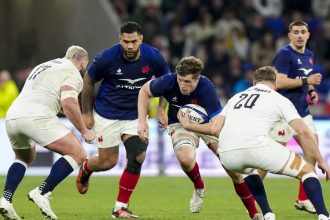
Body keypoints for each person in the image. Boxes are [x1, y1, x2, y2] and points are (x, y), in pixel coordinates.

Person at [138, 56, 263, 220]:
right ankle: (199, 186)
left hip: (208, 124)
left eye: (188, 82)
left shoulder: (206, 88)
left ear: (197, 78)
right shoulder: (168, 81)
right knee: (185, 158)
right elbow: (144, 91)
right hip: (179, 123)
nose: (183, 85)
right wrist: (142, 121)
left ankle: (254, 212)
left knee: (233, 169)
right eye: (181, 80)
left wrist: (193, 126)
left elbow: (216, 127)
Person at [75, 21, 170, 218]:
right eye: (125, 41)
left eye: (133, 41)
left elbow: (166, 81)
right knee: (107, 162)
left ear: (141, 39)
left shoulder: (153, 57)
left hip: (136, 116)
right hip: (106, 115)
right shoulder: (107, 57)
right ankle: (86, 168)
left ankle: (120, 207)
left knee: (138, 157)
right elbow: (88, 80)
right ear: (120, 39)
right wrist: (86, 112)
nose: (129, 46)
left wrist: (162, 108)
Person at [215, 66, 329, 220]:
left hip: (227, 155)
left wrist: (190, 126)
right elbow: (303, 131)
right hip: (256, 147)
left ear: (254, 83)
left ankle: (267, 213)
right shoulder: (279, 99)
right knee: (308, 170)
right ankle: (324, 216)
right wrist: (321, 161)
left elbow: (215, 129)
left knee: (249, 170)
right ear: (276, 84)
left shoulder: (235, 97)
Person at [0, 45, 95, 220]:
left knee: (24, 157)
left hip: (13, 115)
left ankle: (5, 200)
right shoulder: (74, 73)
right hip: (36, 115)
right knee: (78, 153)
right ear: (83, 62)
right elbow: (68, 103)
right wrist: (84, 131)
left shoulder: (44, 66)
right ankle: (42, 191)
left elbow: (47, 96)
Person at [268, 20, 323, 214]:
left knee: (312, 153)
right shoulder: (284, 54)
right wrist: (307, 81)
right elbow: (280, 82)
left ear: (308, 35)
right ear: (290, 36)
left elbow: (304, 78)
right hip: (284, 112)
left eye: (303, 32)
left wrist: (311, 90)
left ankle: (303, 198)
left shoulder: (309, 55)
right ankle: (252, 192)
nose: (300, 35)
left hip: (303, 111)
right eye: (296, 32)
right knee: (268, 158)